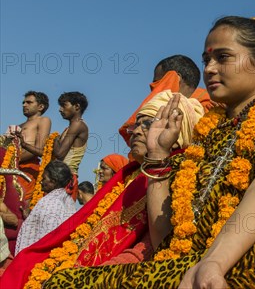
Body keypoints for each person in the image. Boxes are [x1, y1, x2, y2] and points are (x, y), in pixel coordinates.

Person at [44, 16, 255, 288]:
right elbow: (166, 236)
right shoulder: (204, 141)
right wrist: (157, 157)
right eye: (206, 60)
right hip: (187, 266)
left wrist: (213, 264)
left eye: (223, 57)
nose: (210, 69)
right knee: (60, 283)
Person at [1, 91, 204, 288]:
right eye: (137, 124)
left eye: (149, 124)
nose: (137, 131)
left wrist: (77, 278)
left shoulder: (182, 176)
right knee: (25, 264)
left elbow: (154, 248)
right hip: (76, 266)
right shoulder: (129, 175)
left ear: (176, 133)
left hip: (108, 275)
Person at [119, 54, 212, 149]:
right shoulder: (154, 110)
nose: (154, 90)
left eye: (158, 83)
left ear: (176, 78)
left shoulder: (211, 107)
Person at [15, 160, 76, 254]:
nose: (41, 181)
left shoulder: (51, 202)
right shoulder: (67, 201)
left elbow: (47, 237)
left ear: (53, 181)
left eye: (44, 179)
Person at [9, 91, 52, 206]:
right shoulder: (19, 125)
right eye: (23, 102)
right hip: (12, 169)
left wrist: (13, 160)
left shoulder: (43, 120)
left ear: (40, 107)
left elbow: (39, 149)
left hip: (28, 168)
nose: (24, 105)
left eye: (29, 102)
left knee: (23, 204)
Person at [53, 92, 89, 178]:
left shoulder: (77, 124)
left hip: (67, 177)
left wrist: (55, 140)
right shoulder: (70, 127)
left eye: (64, 105)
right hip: (60, 176)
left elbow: (59, 154)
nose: (60, 109)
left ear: (77, 106)